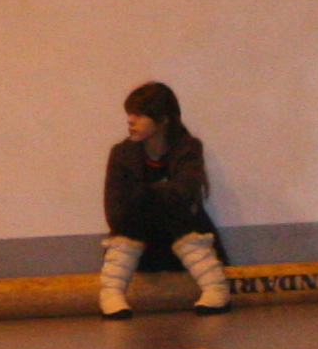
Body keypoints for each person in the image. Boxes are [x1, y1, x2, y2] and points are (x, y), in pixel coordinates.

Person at [98, 82, 230, 317]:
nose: (130, 120)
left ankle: (216, 288)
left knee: (169, 209)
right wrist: (152, 196)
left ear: (163, 120)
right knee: (138, 210)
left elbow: (184, 196)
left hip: (183, 244)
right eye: (130, 113)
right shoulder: (121, 153)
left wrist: (144, 195)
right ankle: (111, 294)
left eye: (140, 114)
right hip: (141, 249)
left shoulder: (188, 149)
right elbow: (115, 213)